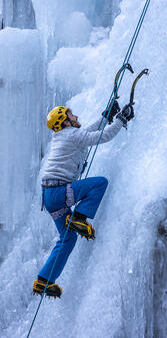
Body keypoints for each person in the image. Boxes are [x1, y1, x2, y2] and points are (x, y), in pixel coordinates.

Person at [32, 101, 133, 298]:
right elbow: (102, 136)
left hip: (50, 196)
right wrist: (120, 119)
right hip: (59, 191)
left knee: (67, 239)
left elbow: (88, 132)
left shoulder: (64, 135)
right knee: (99, 183)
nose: (76, 117)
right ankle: (79, 217)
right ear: (65, 121)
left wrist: (106, 117)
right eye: (72, 115)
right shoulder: (71, 134)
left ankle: (43, 280)